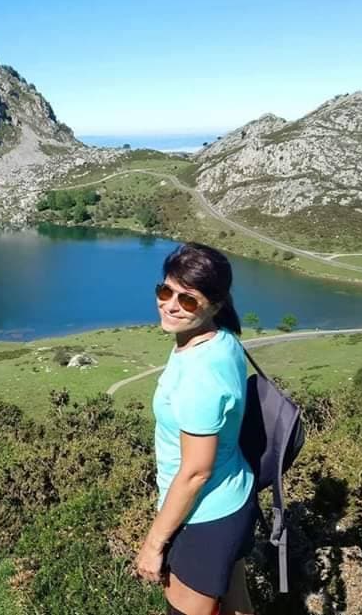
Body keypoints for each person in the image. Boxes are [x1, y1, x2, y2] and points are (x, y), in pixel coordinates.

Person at [134, 242, 257, 615]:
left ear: (215, 305)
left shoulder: (200, 373)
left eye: (188, 300)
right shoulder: (220, 341)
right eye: (165, 291)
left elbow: (195, 472)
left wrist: (154, 543)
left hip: (204, 519)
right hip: (234, 498)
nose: (170, 304)